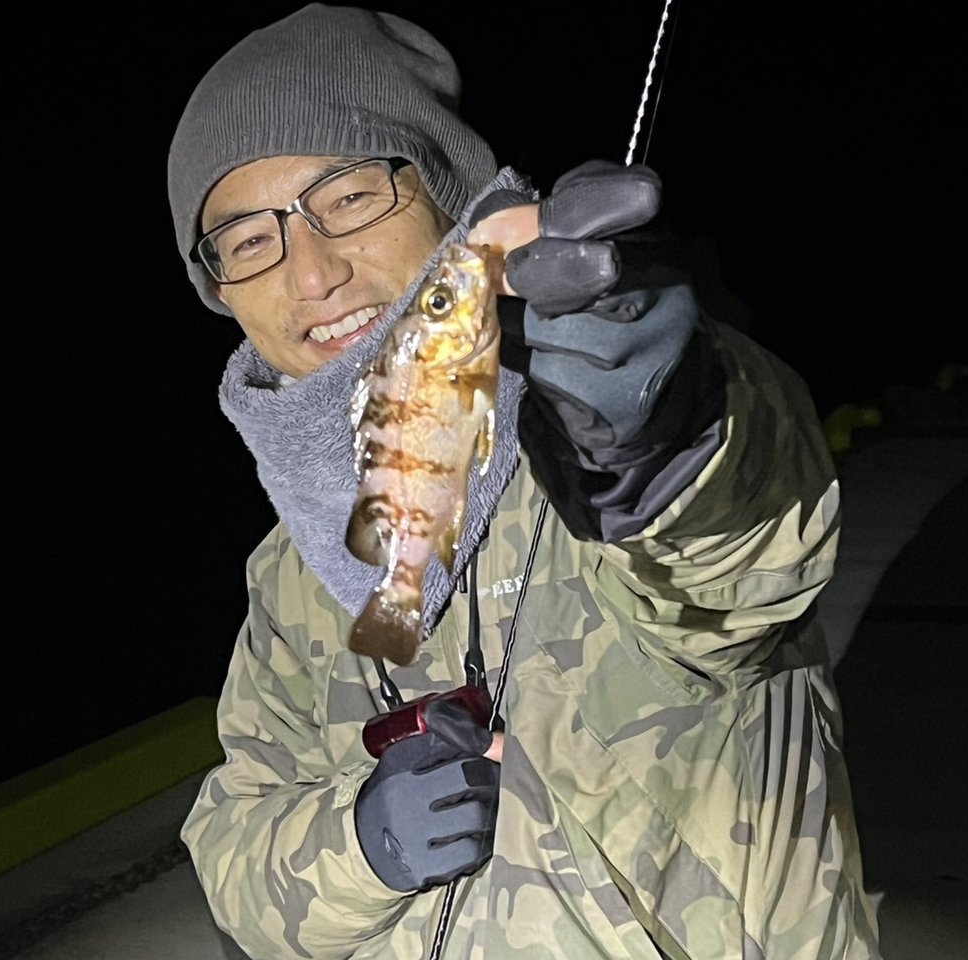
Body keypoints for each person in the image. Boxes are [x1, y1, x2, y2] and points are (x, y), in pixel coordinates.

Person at [166, 4, 882, 958]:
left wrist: (659, 442)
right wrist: (361, 846)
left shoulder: (599, 425)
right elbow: (236, 850)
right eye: (249, 241)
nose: (312, 273)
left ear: (448, 194)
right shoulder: (287, 567)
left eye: (349, 195)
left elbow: (737, 571)